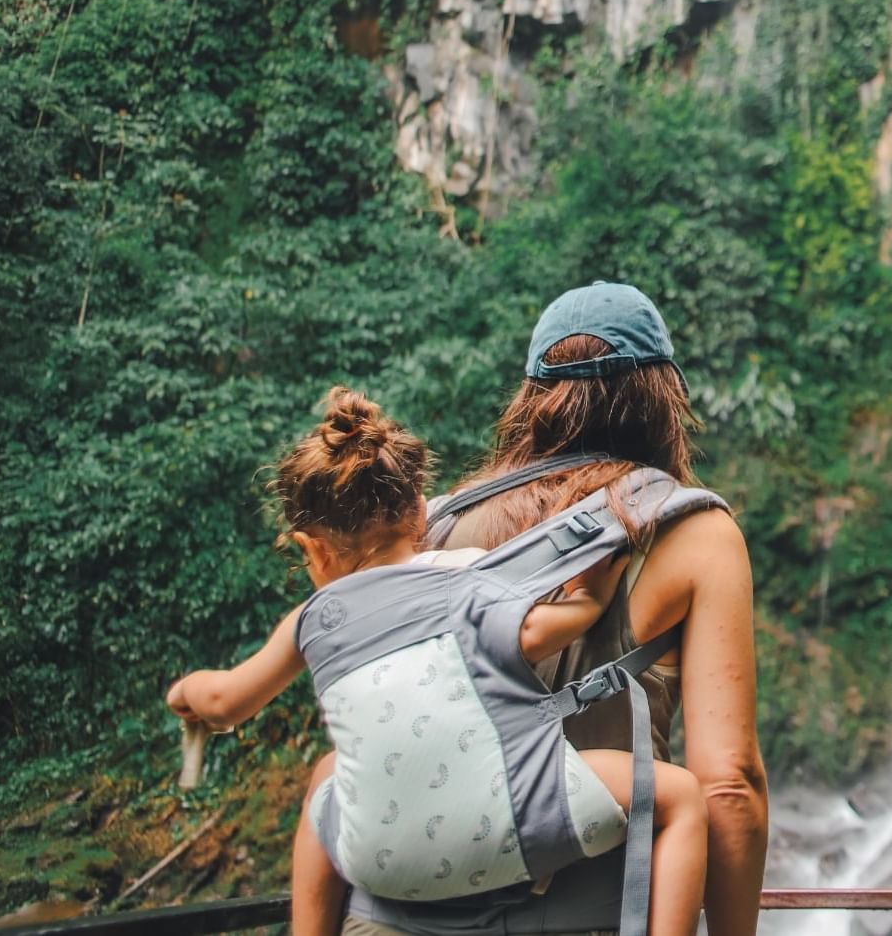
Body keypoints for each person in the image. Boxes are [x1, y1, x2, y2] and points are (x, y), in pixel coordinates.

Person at [166, 386, 711, 936]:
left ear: (312, 549)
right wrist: (589, 599)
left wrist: (187, 695)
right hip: (519, 830)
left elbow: (224, 702)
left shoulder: (314, 618)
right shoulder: (468, 579)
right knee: (679, 799)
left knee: (325, 778)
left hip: (379, 863)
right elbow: (538, 632)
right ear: (422, 513)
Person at [332, 281, 767, 936]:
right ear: (664, 398)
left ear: (532, 398)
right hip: (587, 915)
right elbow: (729, 785)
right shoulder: (692, 534)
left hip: (395, 916)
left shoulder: (436, 524)